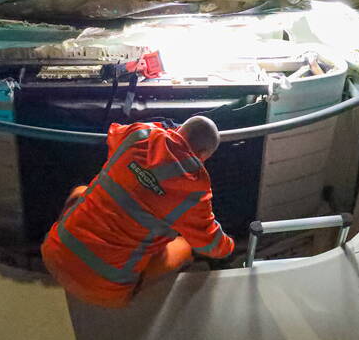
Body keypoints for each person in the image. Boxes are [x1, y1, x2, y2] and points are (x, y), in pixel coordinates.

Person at [41, 116, 235, 309]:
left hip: (52, 255)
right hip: (105, 290)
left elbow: (114, 132)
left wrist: (161, 131)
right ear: (202, 154)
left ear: (179, 130)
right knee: (184, 247)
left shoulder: (140, 134)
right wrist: (230, 247)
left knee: (81, 192)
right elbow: (212, 245)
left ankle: (63, 243)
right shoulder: (195, 190)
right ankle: (130, 288)